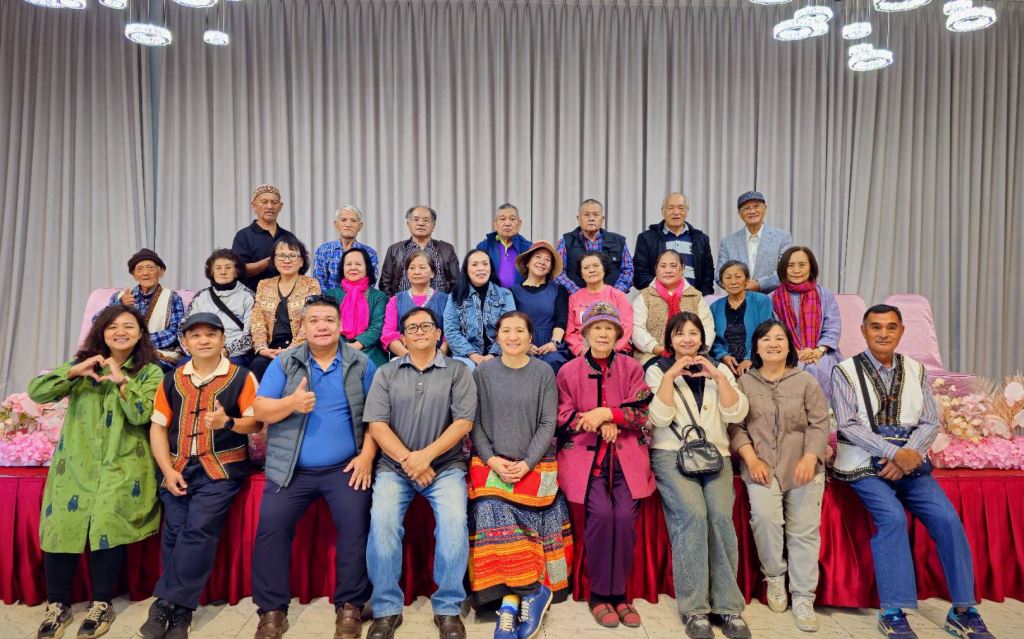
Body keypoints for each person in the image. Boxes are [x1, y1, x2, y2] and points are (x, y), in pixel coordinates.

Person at [830, 305, 996, 639]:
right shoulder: (844, 371)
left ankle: (963, 611)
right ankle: (893, 612)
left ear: (901, 331)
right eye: (876, 327)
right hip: (862, 463)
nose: (883, 333)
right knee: (892, 518)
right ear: (863, 331)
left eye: (891, 327)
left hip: (911, 463)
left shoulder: (916, 370)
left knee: (947, 519)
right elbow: (847, 424)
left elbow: (930, 421)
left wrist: (909, 455)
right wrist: (894, 453)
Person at [28, 305, 163, 639]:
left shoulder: (150, 372)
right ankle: (57, 605)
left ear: (140, 334)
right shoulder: (83, 364)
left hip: (123, 462)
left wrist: (121, 381)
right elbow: (37, 392)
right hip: (76, 462)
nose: (120, 332)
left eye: (129, 326)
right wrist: (74, 372)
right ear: (101, 332)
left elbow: (142, 414)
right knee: (62, 524)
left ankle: (102, 603)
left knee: (106, 521)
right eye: (112, 326)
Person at [249, 296, 379, 639]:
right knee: (271, 529)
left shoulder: (360, 363)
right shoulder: (285, 363)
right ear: (303, 327)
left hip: (345, 468)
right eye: (314, 320)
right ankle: (272, 610)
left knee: (356, 525)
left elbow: (377, 416)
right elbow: (260, 410)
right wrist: (291, 403)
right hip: (290, 469)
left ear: (340, 326)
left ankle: (350, 605)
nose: (322, 326)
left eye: (329, 320)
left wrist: (367, 456)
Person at [139, 313, 261, 639]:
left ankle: (168, 605)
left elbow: (256, 423)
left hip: (222, 468)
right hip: (177, 468)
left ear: (223, 340)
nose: (203, 340)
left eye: (210, 334)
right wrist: (167, 471)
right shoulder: (171, 380)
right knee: (174, 531)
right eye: (195, 335)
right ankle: (180, 610)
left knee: (199, 529)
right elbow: (158, 428)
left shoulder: (241, 377)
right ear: (185, 343)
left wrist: (227, 422)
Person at [363, 307, 477, 639]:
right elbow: (377, 425)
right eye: (412, 328)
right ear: (402, 337)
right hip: (394, 468)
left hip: (444, 468)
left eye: (426, 325)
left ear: (439, 333)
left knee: (454, 524)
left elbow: (463, 423)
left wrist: (425, 458)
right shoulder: (386, 373)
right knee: (383, 522)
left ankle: (448, 608)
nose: (420, 331)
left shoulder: (458, 371)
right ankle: (386, 608)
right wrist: (409, 461)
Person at [645, 312, 751, 639]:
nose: (687, 339)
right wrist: (670, 377)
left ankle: (728, 607)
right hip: (671, 453)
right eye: (680, 334)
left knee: (720, 517)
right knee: (692, 515)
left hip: (716, 454)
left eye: (693, 333)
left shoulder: (718, 369)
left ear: (702, 338)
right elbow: (659, 419)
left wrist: (718, 377)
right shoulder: (657, 369)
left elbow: (736, 412)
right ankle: (696, 610)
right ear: (670, 339)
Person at [469, 311, 573, 639]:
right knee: (490, 508)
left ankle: (516, 598)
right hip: (491, 462)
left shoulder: (543, 372)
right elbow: (475, 422)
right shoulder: (483, 372)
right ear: (497, 336)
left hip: (535, 462)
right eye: (506, 331)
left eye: (519, 331)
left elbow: (548, 422)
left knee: (538, 510)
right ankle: (524, 593)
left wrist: (527, 463)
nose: (512, 337)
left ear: (530, 337)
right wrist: (492, 460)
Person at [556, 302, 653, 629]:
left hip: (626, 458)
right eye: (596, 328)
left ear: (617, 334)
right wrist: (597, 421)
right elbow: (562, 417)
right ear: (586, 333)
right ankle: (599, 595)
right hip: (586, 459)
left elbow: (641, 413)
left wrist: (610, 414)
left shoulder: (632, 368)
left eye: (608, 328)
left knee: (624, 517)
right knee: (601, 516)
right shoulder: (568, 371)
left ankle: (621, 594)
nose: (602, 334)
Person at [728, 320, 830, 633]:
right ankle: (774, 576)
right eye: (766, 339)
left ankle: (803, 596)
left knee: (804, 531)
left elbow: (820, 423)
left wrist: (811, 456)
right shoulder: (744, 383)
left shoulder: (806, 381)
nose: (773, 344)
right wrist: (750, 458)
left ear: (789, 346)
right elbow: (736, 426)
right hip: (760, 465)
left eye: (779, 339)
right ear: (756, 348)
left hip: (802, 465)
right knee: (765, 519)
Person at [770, 246, 842, 402]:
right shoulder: (773, 298)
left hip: (821, 351)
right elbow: (772, 332)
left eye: (802, 265)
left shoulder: (825, 294)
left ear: (811, 268)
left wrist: (818, 351)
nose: (796, 270)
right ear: (783, 269)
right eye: (791, 265)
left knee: (820, 368)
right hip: (785, 353)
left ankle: (825, 413)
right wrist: (795, 351)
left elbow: (832, 327)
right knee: (793, 371)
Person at [249, 238, 321, 380]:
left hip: (301, 348)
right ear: (274, 260)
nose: (286, 260)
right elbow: (257, 320)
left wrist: (291, 349)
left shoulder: (311, 284)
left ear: (301, 261)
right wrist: (262, 348)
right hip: (271, 348)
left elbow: (311, 319)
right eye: (281, 255)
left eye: (292, 256)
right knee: (257, 366)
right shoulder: (264, 285)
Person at [631, 249, 714, 367]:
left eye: (673, 266)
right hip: (652, 355)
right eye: (663, 266)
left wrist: (695, 350)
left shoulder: (695, 296)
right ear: (656, 269)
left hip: (693, 354)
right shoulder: (645, 296)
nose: (668, 270)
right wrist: (657, 348)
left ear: (682, 269)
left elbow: (707, 327)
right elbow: (636, 328)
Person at [108, 248, 185, 370]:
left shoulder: (172, 298)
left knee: (149, 367)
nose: (145, 273)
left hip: (159, 353)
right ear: (134, 275)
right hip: (122, 350)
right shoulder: (120, 297)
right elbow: (99, 322)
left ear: (161, 272)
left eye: (150, 268)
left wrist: (139, 341)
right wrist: (120, 305)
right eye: (139, 269)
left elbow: (176, 331)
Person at [442, 249, 516, 371]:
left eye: (485, 264)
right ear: (466, 270)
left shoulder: (505, 295)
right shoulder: (455, 297)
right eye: (474, 264)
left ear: (491, 268)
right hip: (466, 355)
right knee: (466, 369)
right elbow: (451, 331)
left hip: (501, 353)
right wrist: (473, 355)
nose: (481, 268)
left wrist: (493, 355)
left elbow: (509, 328)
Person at [181, 249, 255, 366]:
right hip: (201, 348)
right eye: (218, 268)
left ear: (236, 272)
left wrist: (226, 351)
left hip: (233, 354)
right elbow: (183, 327)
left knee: (228, 368)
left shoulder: (248, 296)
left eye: (228, 268)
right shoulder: (201, 296)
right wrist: (194, 349)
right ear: (212, 272)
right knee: (183, 366)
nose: (223, 272)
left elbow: (251, 335)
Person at [633, 193, 715, 294]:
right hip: (657, 298)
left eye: (681, 208)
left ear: (686, 212)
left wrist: (700, 296)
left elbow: (708, 275)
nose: (676, 212)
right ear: (663, 211)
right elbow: (640, 274)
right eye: (671, 208)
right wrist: (663, 292)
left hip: (693, 298)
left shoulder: (701, 239)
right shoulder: (647, 238)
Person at [509, 241, 570, 372]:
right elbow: (510, 323)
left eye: (547, 259)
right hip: (521, 344)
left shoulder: (559, 290)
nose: (542, 262)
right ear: (527, 262)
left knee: (551, 362)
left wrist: (554, 343)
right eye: (537, 257)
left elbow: (561, 320)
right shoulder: (512, 292)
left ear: (550, 268)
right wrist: (524, 345)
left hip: (551, 344)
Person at [323, 247, 389, 366]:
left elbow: (377, 327)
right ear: (343, 268)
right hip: (337, 350)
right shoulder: (331, 295)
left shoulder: (379, 296)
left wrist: (356, 345)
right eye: (348, 264)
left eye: (358, 264)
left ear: (367, 268)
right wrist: (343, 348)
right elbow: (329, 325)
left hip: (371, 352)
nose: (353, 268)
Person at [716, 191, 793, 294]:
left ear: (765, 208)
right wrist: (739, 286)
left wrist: (759, 284)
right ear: (739, 214)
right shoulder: (728, 242)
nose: (752, 211)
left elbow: (786, 271)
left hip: (773, 299)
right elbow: (719, 275)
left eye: (756, 206)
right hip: (738, 299)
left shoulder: (782, 237)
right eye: (746, 208)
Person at [709, 261, 775, 379]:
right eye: (728, 278)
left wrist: (750, 358)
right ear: (722, 282)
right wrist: (723, 356)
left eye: (738, 276)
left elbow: (767, 333)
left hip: (758, 360)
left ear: (747, 280)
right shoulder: (715, 307)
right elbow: (712, 338)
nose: (733, 281)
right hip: (725, 364)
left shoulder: (761, 301)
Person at [554, 199, 634, 293]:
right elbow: (558, 272)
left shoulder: (618, 241)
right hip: (575, 299)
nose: (591, 218)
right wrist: (579, 294)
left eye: (596, 214)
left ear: (602, 219)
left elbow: (628, 270)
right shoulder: (566, 241)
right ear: (578, 219)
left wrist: (615, 294)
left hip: (612, 299)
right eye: (586, 215)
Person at [378, 205, 460, 296]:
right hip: (402, 304)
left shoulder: (446, 249)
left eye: (426, 220)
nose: (421, 223)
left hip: (440, 304)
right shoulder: (394, 250)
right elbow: (385, 283)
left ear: (433, 226)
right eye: (416, 219)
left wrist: (449, 303)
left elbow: (456, 283)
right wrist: (393, 302)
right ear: (408, 224)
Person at [380, 250, 449, 358]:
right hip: (403, 357)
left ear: (432, 273)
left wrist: (438, 356)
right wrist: (409, 357)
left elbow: (450, 333)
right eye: (412, 268)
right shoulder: (395, 301)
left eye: (422, 267)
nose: (417, 272)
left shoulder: (446, 300)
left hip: (439, 358)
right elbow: (388, 334)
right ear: (407, 273)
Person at [231, 184, 300, 291]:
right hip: (253, 296)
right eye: (264, 202)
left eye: (274, 202)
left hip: (286, 296)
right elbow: (238, 270)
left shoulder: (288, 236)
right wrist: (270, 260)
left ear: (280, 206)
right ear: (254, 206)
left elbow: (298, 266)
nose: (270, 206)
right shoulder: (244, 236)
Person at [564, 252, 633, 356]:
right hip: (584, 353)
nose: (591, 270)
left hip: (615, 352)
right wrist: (581, 350)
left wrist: (611, 350)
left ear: (604, 269)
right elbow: (570, 333)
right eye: (586, 268)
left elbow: (626, 328)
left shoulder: (618, 296)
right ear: (581, 274)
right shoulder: (574, 298)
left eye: (596, 265)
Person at [312, 205, 380, 291]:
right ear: (336, 225)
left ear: (360, 226)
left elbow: (371, 283)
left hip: (361, 298)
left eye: (353, 220)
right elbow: (319, 283)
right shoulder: (323, 250)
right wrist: (331, 298)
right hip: (329, 299)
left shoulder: (370, 253)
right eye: (343, 220)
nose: (348, 224)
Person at [476, 203, 533, 288]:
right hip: (492, 295)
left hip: (520, 296)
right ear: (495, 224)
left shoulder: (528, 248)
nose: (507, 223)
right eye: (502, 219)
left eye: (512, 219)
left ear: (519, 224)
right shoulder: (484, 247)